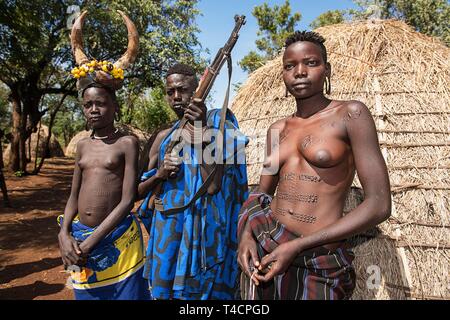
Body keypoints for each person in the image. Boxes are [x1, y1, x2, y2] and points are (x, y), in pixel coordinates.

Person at [237, 31, 391, 300]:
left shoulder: (350, 114)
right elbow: (260, 196)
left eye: (311, 63)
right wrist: (246, 238)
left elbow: (379, 204)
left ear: (327, 69)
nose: (299, 72)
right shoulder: (278, 129)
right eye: (289, 66)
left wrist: (298, 246)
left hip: (317, 259)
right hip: (267, 250)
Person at [57, 10, 150, 300]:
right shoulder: (83, 145)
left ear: (115, 107)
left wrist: (93, 241)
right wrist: (64, 235)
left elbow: (126, 201)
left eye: (101, 103)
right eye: (88, 105)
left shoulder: (127, 143)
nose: (94, 110)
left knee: (126, 295)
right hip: (80, 238)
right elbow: (74, 195)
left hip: (116, 238)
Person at [137, 63, 248, 300]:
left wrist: (200, 131)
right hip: (170, 238)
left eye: (183, 89)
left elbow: (214, 185)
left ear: (197, 88)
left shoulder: (220, 123)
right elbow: (138, 191)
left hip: (206, 244)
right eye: (170, 92)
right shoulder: (164, 137)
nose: (177, 97)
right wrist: (160, 174)